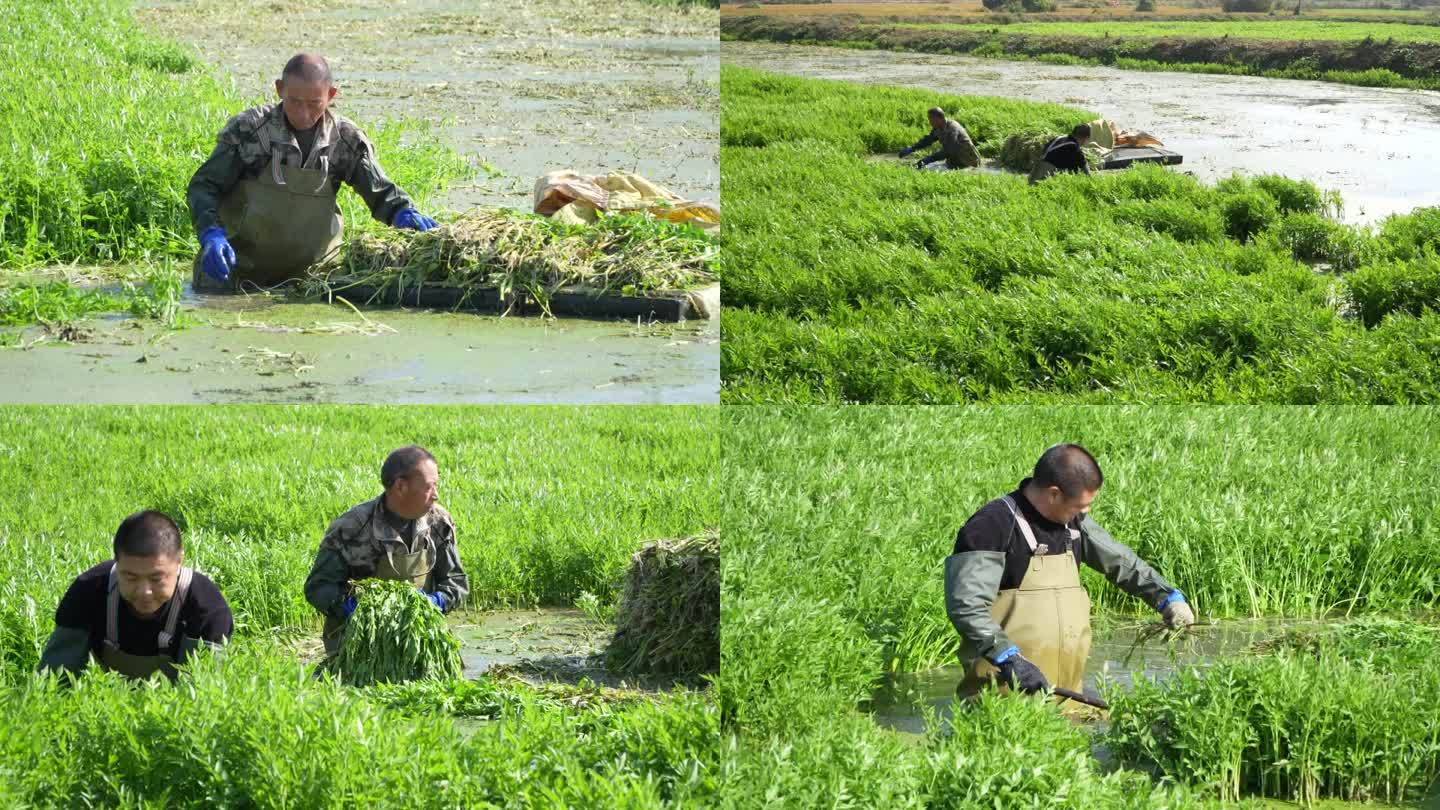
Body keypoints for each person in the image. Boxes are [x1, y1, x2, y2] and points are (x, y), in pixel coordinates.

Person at [944, 444, 1195, 702]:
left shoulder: (1073, 523)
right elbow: (967, 606)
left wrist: (1167, 599)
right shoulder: (990, 526)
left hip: (1068, 697)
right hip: (1004, 696)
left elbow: (1121, 562)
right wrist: (1007, 657)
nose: (1085, 513)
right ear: (1054, 494)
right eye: (1079, 506)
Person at [186, 53, 440, 292]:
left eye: (314, 103)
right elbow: (204, 187)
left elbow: (381, 194)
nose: (303, 114)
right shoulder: (250, 132)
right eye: (294, 101)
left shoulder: (346, 140)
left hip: (312, 280)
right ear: (279, 89)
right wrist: (211, 233)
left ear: (331, 95)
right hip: (234, 272)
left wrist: (403, 213)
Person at [304, 445, 469, 655]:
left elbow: (456, 582)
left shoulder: (439, 523)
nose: (435, 495)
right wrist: (356, 610)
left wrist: (434, 603)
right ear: (400, 486)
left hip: (419, 642)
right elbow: (318, 587)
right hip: (357, 647)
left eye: (436, 485)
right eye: (429, 487)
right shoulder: (351, 528)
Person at [37, 511, 233, 681]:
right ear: (117, 562)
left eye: (156, 578)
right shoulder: (89, 590)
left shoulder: (207, 609)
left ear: (179, 561)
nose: (144, 591)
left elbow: (202, 697)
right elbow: (53, 681)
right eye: (130, 577)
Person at [898, 107, 981, 171]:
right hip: (955, 161)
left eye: (931, 118)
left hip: (969, 161)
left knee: (927, 168)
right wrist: (912, 148)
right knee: (922, 169)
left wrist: (929, 159)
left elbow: (949, 150)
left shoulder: (953, 128)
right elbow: (928, 140)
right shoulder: (938, 128)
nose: (929, 122)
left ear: (940, 118)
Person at [1028, 124, 1094, 185]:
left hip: (1032, 176)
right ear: (1085, 138)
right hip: (1041, 179)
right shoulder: (1073, 147)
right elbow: (1086, 170)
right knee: (1076, 171)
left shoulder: (1060, 138)